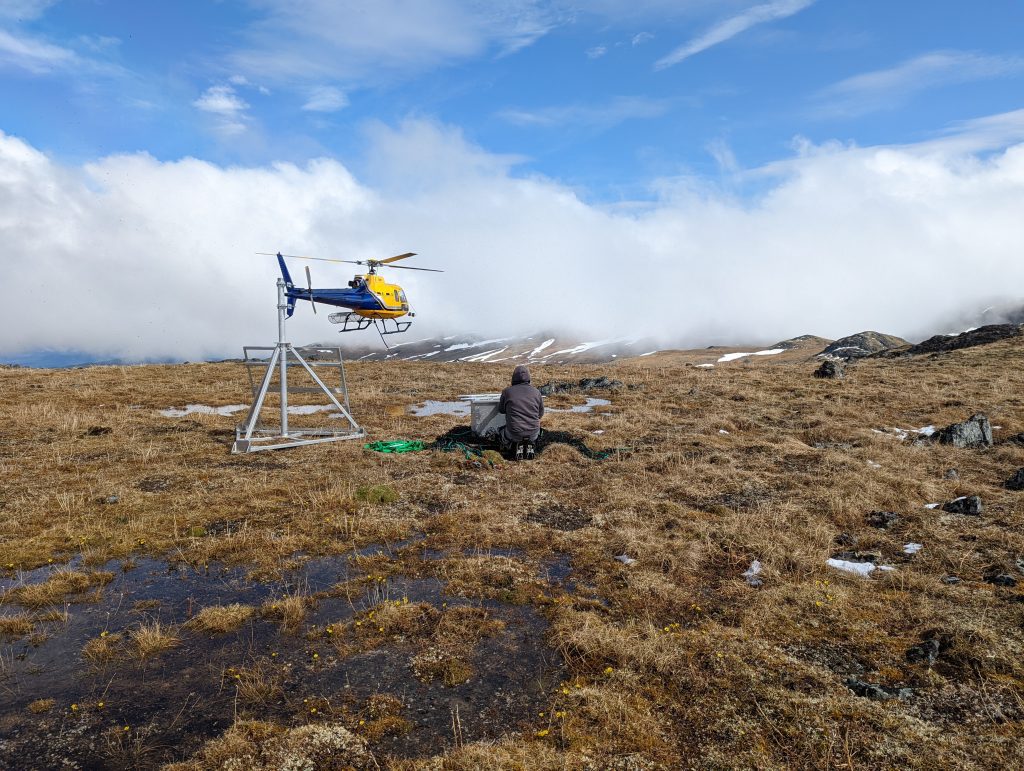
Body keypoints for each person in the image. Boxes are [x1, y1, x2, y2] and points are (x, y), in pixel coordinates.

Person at [497, 364, 544, 460]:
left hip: (513, 433)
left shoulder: (507, 392)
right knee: (536, 431)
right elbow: (540, 414)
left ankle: (512, 447)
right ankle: (530, 444)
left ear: (513, 378)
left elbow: (501, 410)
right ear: (528, 378)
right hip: (533, 433)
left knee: (500, 432)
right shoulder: (536, 392)